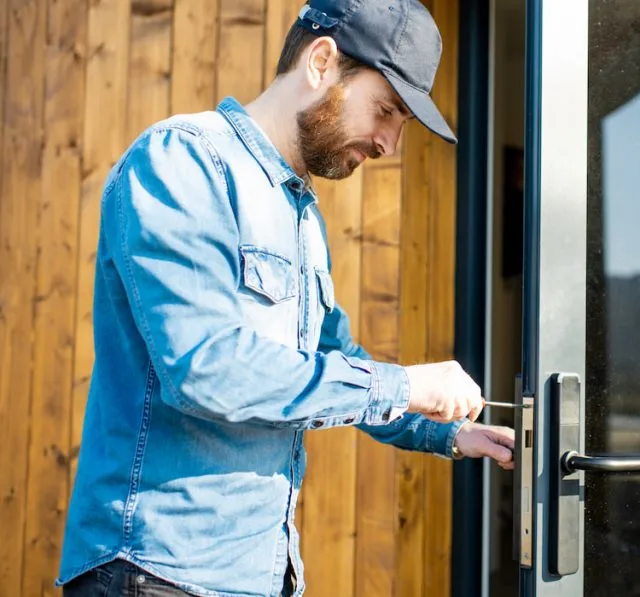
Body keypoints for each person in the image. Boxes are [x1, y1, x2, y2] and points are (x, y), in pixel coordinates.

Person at [57, 1, 515, 595]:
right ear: (322, 62)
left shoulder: (300, 217)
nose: (389, 144)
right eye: (386, 111)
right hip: (156, 574)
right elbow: (206, 368)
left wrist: (447, 433)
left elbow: (337, 365)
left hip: (263, 576)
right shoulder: (183, 161)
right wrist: (406, 384)